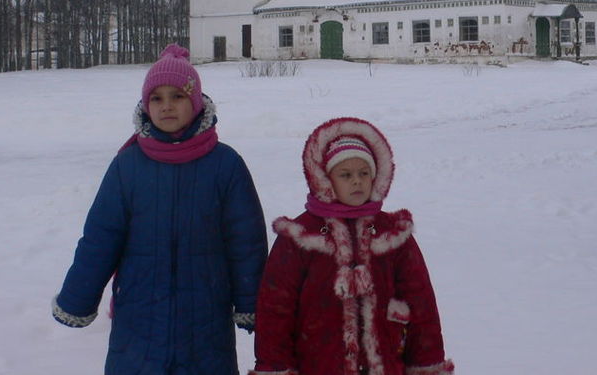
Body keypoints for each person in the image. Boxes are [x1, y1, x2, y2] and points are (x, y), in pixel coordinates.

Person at [52, 44, 268, 375]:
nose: (167, 106)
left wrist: (252, 302)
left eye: (178, 96)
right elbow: (101, 237)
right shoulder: (128, 166)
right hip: (139, 314)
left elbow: (246, 240)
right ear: (145, 105)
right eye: (157, 98)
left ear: (195, 102)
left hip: (206, 315)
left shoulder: (225, 165)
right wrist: (77, 299)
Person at [251, 117, 454, 375]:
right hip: (318, 364)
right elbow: (275, 311)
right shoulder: (300, 237)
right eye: (346, 175)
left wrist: (426, 363)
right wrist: (275, 367)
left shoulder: (394, 235)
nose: (357, 181)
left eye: (363, 173)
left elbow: (422, 304)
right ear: (325, 179)